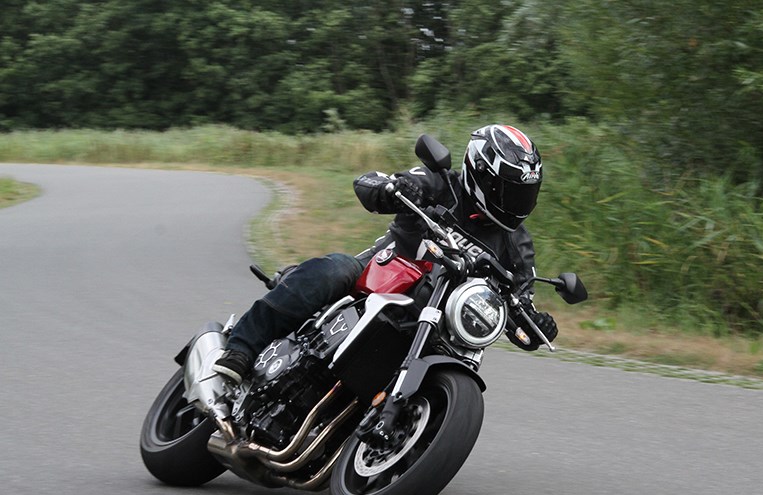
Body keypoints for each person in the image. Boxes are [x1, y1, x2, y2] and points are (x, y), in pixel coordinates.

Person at [212, 124, 559, 383]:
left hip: (438, 323)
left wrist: (534, 324)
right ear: (480, 173)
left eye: (524, 193)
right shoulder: (442, 183)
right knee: (335, 269)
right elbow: (370, 183)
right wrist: (392, 189)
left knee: (461, 356)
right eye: (509, 190)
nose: (517, 202)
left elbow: (520, 303)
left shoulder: (518, 245)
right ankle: (241, 347)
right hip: (378, 277)